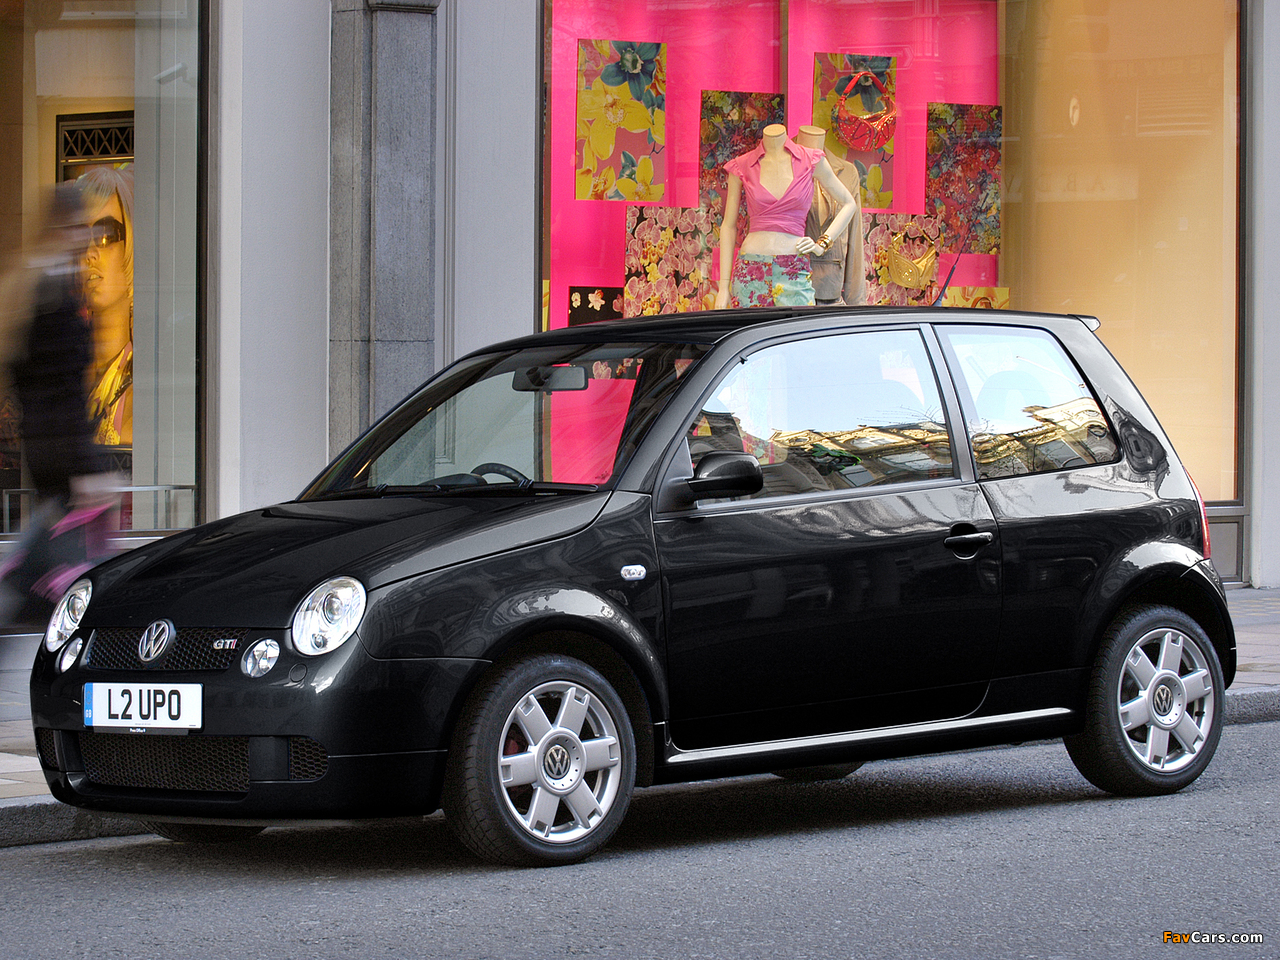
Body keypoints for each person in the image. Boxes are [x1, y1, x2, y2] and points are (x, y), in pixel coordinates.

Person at [0, 183, 118, 623]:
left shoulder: (31, 287)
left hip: (45, 444)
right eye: (80, 227)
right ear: (63, 228)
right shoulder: (54, 296)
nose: (87, 237)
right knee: (74, 552)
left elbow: (33, 384)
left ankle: (20, 585)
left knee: (52, 534)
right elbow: (63, 390)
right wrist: (85, 466)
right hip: (63, 447)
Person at [714, 123, 858, 310]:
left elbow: (849, 203)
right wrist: (723, 287)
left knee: (798, 328)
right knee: (753, 329)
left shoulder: (810, 160)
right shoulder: (743, 164)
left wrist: (822, 244)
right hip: (750, 269)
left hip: (793, 268)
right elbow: (728, 225)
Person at [78, 165, 134, 448]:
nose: (90, 253)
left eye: (106, 234)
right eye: (80, 237)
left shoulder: (147, 387)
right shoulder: (67, 369)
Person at [795, 124, 866, 306]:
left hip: (831, 297)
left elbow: (854, 237)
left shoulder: (847, 173)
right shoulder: (778, 166)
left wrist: (857, 304)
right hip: (788, 292)